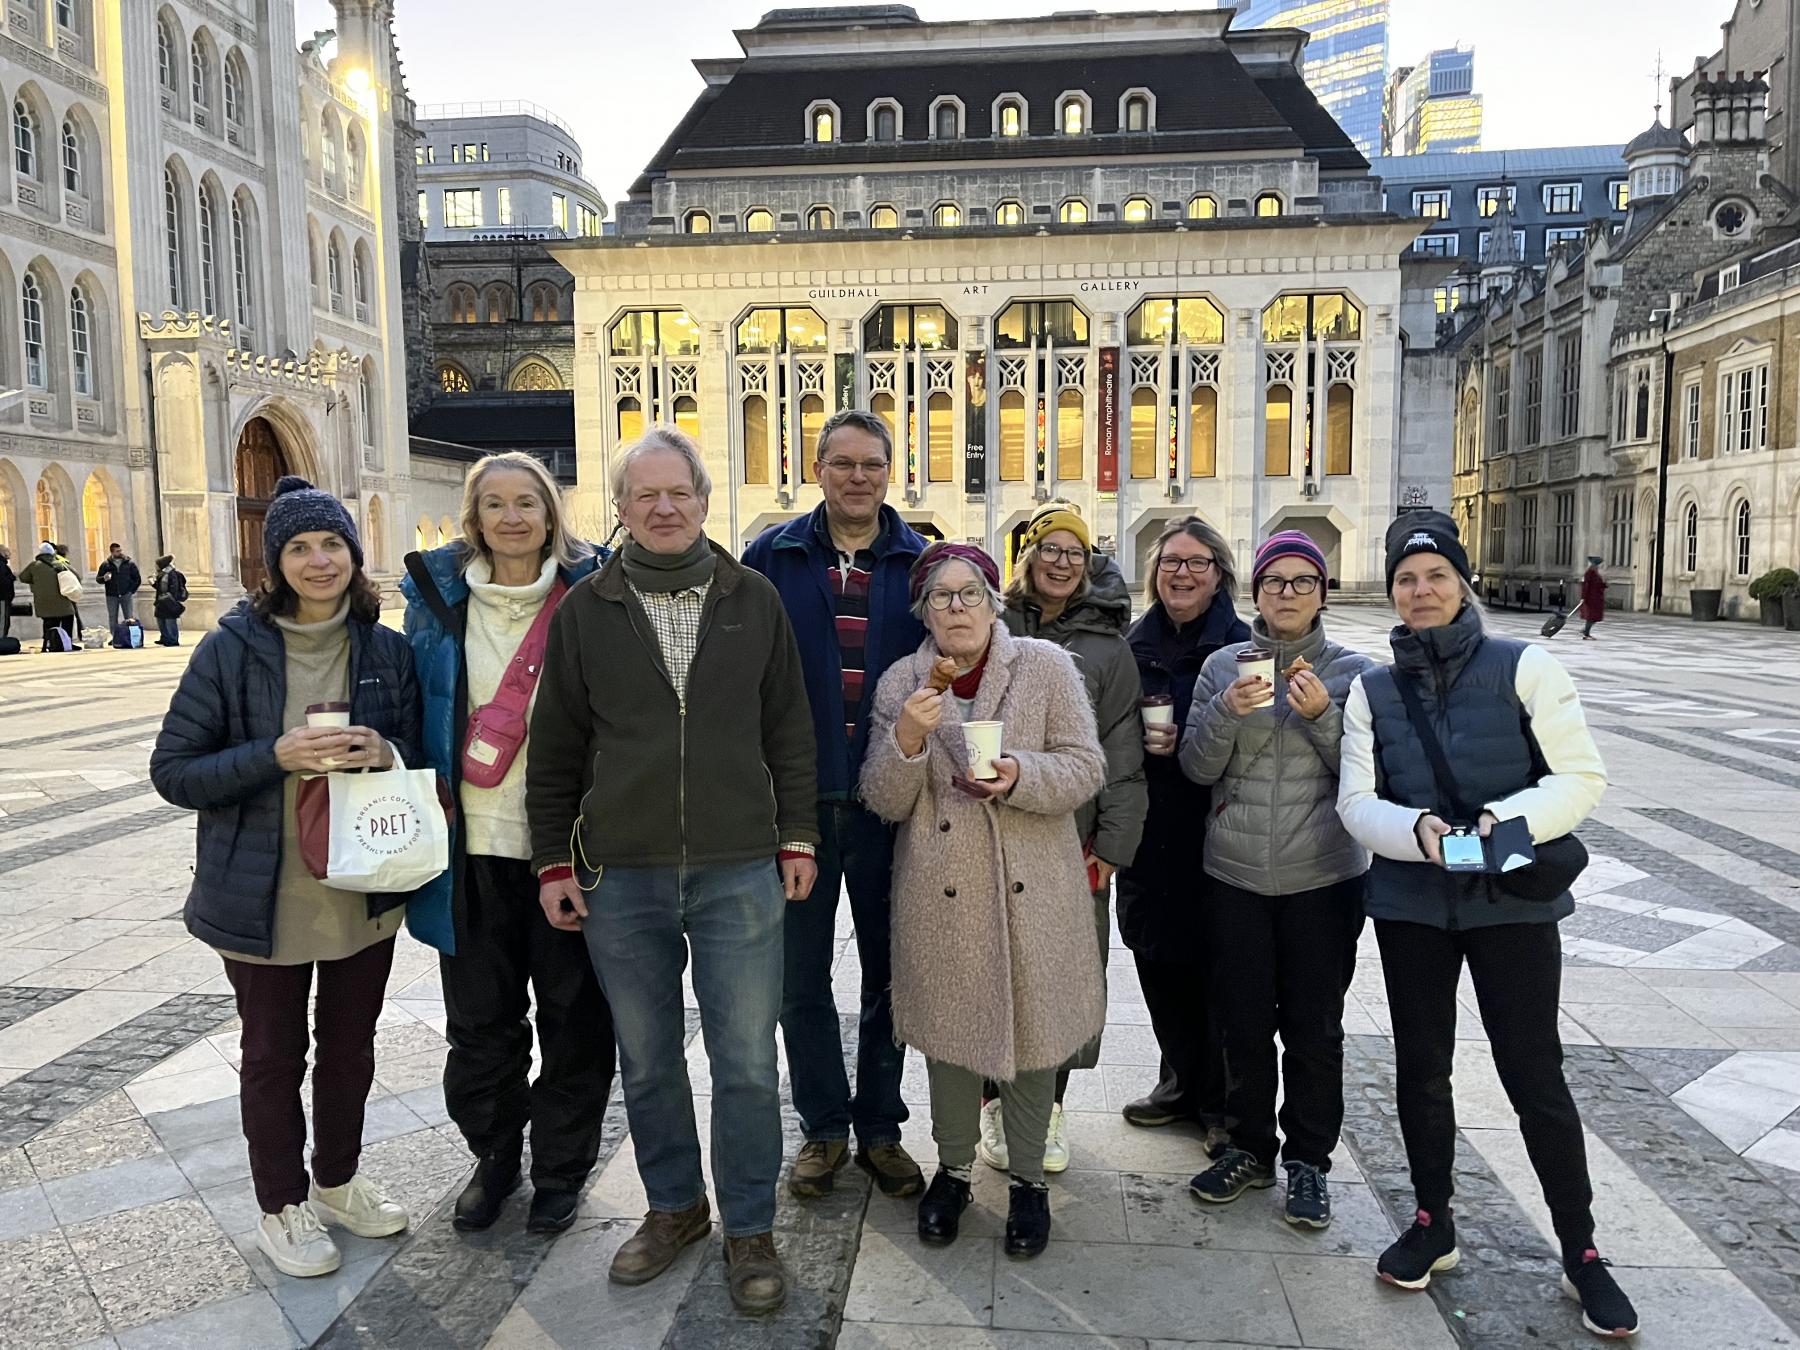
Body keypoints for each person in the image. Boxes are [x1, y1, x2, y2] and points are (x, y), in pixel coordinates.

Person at [527, 427, 819, 1315]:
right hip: (624, 872)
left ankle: (750, 1226)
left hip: (738, 869)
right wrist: (551, 863)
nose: (662, 508)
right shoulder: (586, 609)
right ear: (619, 508)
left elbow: (791, 730)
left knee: (744, 1062)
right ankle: (675, 1206)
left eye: (677, 493)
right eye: (643, 495)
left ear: (702, 500)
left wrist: (798, 836)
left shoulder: (753, 597)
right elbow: (557, 748)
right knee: (648, 1059)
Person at [1336, 512, 1637, 1338]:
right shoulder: (1372, 688)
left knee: (1533, 1069)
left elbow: (1580, 776)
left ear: (1461, 582)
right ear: (1392, 592)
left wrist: (1495, 825)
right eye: (1406, 579)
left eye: (1435, 575)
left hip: (1511, 899)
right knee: (1421, 1065)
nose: (1420, 591)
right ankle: (1433, 1219)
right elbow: (1357, 801)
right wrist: (1423, 832)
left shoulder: (1524, 664)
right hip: (1413, 904)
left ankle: (1580, 1248)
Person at [149, 476, 421, 1280]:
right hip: (263, 895)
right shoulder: (230, 648)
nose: (317, 560)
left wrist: (389, 754)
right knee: (273, 1053)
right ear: (274, 563)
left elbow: (417, 752)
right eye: (298, 547)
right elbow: (174, 769)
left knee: (350, 1048)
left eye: (331, 544)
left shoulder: (385, 647)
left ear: (354, 554)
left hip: (361, 886)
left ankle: (336, 1182)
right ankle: (282, 1204)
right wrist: (273, 756)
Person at [861, 542, 1107, 1259]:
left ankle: (1028, 1180)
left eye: (971, 593)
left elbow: (1086, 767)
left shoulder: (1045, 666)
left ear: (996, 602)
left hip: (1036, 889)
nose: (958, 607)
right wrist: (906, 738)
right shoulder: (903, 681)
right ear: (923, 611)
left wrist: (1019, 775)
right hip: (941, 894)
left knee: (1034, 1037)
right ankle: (955, 1169)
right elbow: (883, 799)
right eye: (942, 596)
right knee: (949, 1039)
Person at [401, 452, 615, 1236]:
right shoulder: (433, 599)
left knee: (575, 1018)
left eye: (528, 502)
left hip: (568, 847)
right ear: (475, 518)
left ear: (552, 515)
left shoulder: (595, 594)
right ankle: (494, 1156)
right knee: (480, 1023)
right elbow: (406, 699)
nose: (513, 517)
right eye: (496, 504)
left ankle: (561, 1167)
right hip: (470, 850)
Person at [742, 409, 928, 1202]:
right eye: (843, 463)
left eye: (872, 465)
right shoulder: (774, 557)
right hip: (800, 808)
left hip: (894, 805)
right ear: (816, 469)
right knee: (798, 979)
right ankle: (823, 1128)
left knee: (893, 973)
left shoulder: (921, 563)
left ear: (892, 473)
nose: (858, 477)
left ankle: (881, 1127)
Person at [1179, 532, 1373, 1229]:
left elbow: (1366, 777)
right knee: (1244, 1022)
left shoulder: (1354, 673)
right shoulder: (1223, 665)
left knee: (1314, 1028)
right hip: (1234, 873)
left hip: (1322, 875)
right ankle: (1251, 1146)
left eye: (1302, 582)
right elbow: (1198, 769)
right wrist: (1228, 711)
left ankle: (1309, 1161)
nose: (1287, 593)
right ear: (1254, 592)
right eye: (1274, 582)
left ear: (1323, 593)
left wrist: (1323, 717)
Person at [996, 502, 1145, 1175]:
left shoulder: (1109, 650)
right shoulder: (989, 626)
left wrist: (1114, 844)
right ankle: (993, 1108)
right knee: (991, 971)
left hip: (1070, 840)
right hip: (991, 834)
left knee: (1063, 978)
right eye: (1049, 550)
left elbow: (1123, 750)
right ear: (1026, 557)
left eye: (1074, 552)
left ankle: (1047, 1108)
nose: (1061, 562)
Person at [1116, 517, 1248, 1135]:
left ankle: (1220, 1102)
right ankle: (1179, 1080)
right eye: (1171, 563)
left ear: (1218, 574)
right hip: (1148, 828)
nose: (1183, 574)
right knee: (1153, 954)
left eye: (1197, 563)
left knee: (1216, 967)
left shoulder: (1242, 650)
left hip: (1215, 830)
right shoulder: (1132, 645)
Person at [19, 542, 76, 652]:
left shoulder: (34, 565)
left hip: (43, 601)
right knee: (67, 619)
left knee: (48, 623)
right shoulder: (60, 564)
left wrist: (36, 581)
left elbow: (23, 577)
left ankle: (48, 643)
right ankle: (67, 643)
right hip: (62, 600)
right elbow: (76, 576)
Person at [96, 542, 142, 631]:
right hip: (111, 595)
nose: (120, 552)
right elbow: (98, 579)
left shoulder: (129, 564)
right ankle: (115, 637)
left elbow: (137, 579)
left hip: (126, 594)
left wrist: (131, 591)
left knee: (129, 617)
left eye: (120, 550)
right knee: (112, 617)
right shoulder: (106, 565)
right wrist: (104, 578)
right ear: (112, 552)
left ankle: (130, 635)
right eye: (117, 551)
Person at [152, 555, 188, 646]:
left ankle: (172, 640)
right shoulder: (161, 574)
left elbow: (174, 588)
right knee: (161, 620)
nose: (156, 566)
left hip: (169, 601)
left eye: (157, 565)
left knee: (170, 621)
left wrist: (170, 598)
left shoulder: (172, 574)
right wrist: (153, 583)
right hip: (161, 600)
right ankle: (164, 637)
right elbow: (160, 587)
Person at [1578, 558, 1606, 640]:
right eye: (1597, 565)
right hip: (1591, 599)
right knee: (1591, 616)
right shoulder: (1589, 573)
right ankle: (1586, 634)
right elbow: (1585, 586)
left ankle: (1586, 630)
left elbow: (1598, 584)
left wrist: (1604, 585)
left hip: (1596, 599)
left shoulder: (1595, 574)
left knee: (1595, 616)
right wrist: (1583, 597)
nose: (1598, 567)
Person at [0, 544, 14, 642]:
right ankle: (2, 641)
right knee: (3, 621)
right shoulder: (2, 566)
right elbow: (3, 582)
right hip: (2, 597)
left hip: (3, 597)